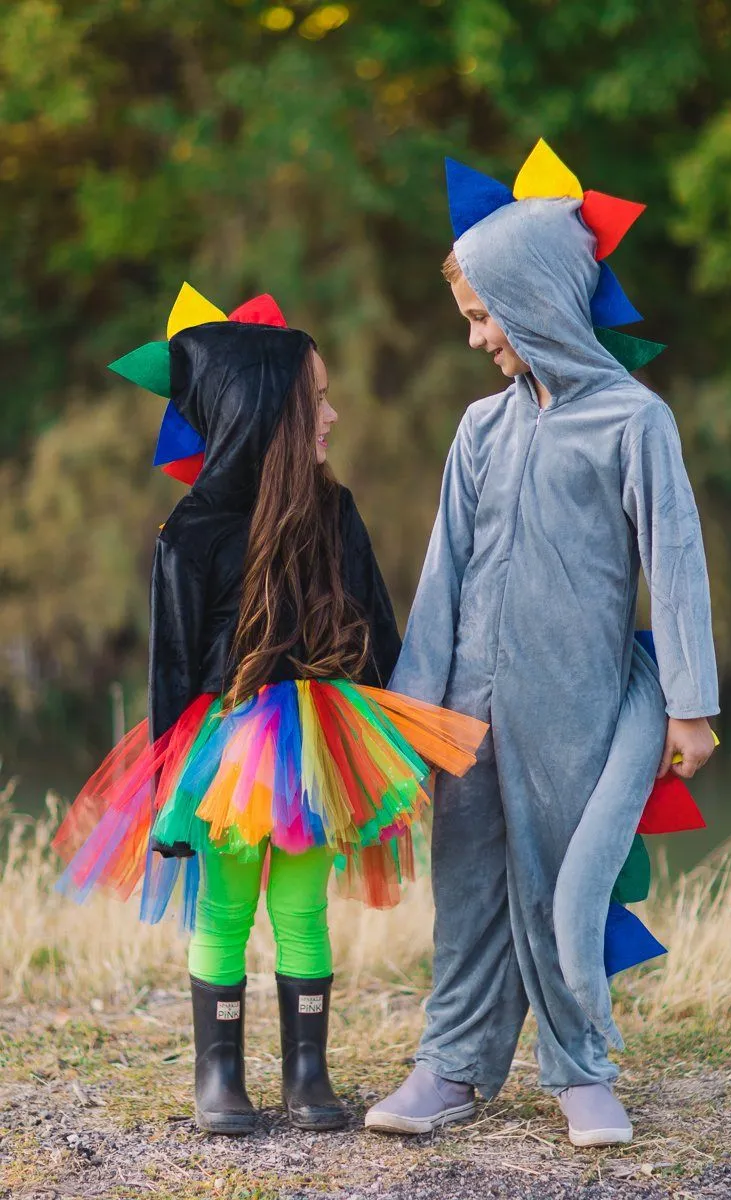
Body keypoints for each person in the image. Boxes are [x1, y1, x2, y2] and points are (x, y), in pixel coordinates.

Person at [54, 285, 487, 1138]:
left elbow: (380, 638)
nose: (332, 414)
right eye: (316, 398)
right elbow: (171, 674)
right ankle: (219, 1079)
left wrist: (407, 735)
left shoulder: (334, 512)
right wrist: (169, 798)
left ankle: (306, 1073)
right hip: (224, 750)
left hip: (323, 746)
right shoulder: (193, 534)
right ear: (268, 411)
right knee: (223, 907)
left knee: (300, 906)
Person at [365, 142, 718, 1147]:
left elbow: (676, 564)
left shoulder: (632, 424)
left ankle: (580, 1070)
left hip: (573, 707)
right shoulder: (479, 429)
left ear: (537, 299)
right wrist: (410, 713)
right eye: (470, 319)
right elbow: (439, 581)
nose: (477, 339)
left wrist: (687, 704)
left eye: (484, 316)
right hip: (467, 709)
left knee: (564, 884)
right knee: (468, 882)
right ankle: (451, 1064)